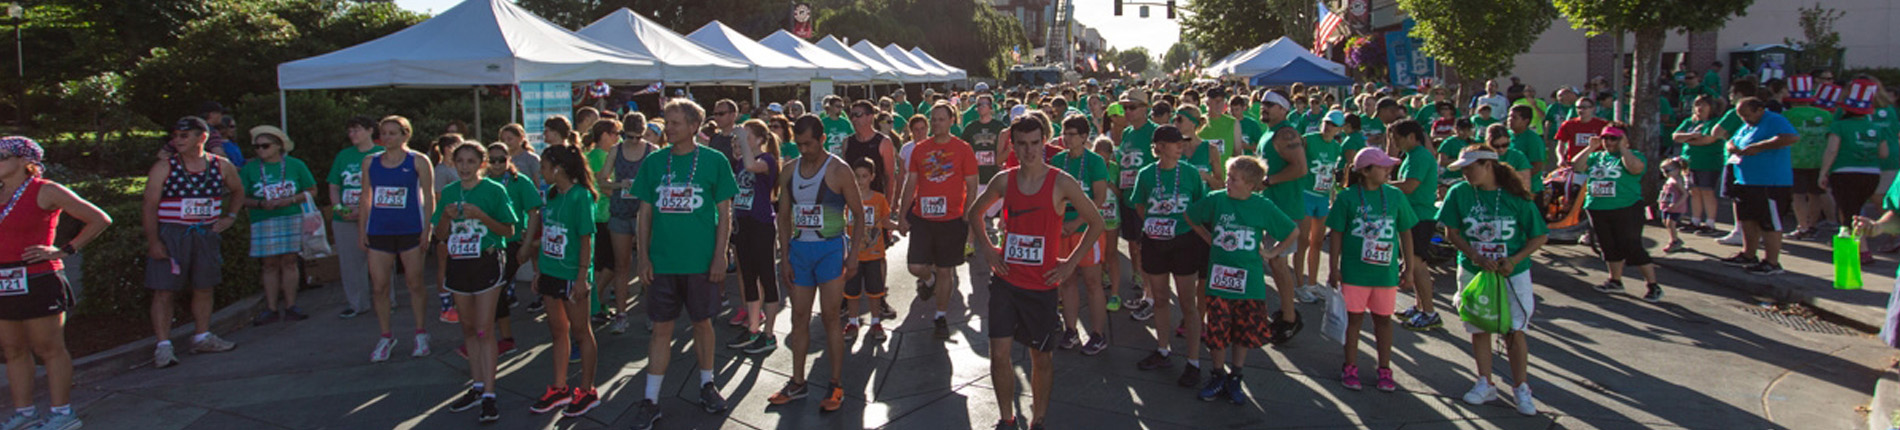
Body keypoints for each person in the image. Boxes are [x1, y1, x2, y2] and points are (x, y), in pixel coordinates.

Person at [967, 115, 1105, 430]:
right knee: (999, 354)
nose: (1029, 151)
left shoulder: (1061, 182)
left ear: (1044, 142)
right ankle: (1006, 419)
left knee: (1040, 358)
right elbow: (974, 213)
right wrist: (989, 250)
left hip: (1041, 286)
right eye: (1022, 144)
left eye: (1034, 143)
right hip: (1006, 282)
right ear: (1013, 146)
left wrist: (1069, 263)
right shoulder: (1005, 180)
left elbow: (1096, 222)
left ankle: (1038, 420)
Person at [627, 100, 739, 428]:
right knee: (661, 329)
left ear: (693, 126)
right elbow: (644, 213)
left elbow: (725, 213)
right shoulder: (654, 162)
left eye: (675, 123)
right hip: (662, 262)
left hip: (701, 262)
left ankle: (707, 384)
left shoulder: (714, 161)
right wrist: (643, 257)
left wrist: (720, 255)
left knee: (703, 324)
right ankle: (650, 399)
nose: (669, 128)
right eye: (667, 122)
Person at [0, 136, 109, 430]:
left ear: (25, 161)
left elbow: (99, 219)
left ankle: (63, 413)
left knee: (48, 347)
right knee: (12, 349)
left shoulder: (46, 190)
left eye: (2, 155)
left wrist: (65, 250)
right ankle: (25, 413)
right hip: (4, 282)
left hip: (38, 278)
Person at [1439, 145, 1547, 417]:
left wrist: (1514, 259)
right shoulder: (1459, 192)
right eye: (1462, 169)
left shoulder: (1515, 195)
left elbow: (1539, 236)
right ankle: (1485, 382)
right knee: (1479, 325)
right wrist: (1474, 255)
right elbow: (1452, 232)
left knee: (1514, 329)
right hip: (1474, 271)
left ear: (1488, 165)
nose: (1465, 174)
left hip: (1512, 274)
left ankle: (1521, 387)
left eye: (1469, 168)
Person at [767, 113, 866, 412]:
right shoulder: (790, 170)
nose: (803, 149)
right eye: (799, 144)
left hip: (830, 250)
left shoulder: (839, 170)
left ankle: (835, 383)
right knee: (798, 317)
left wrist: (853, 255)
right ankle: (798, 382)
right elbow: (784, 217)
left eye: (809, 144)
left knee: (830, 317)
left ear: (822, 139)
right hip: (800, 252)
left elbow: (859, 214)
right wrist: (784, 255)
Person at [1186, 155, 1296, 404]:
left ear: (1250, 185)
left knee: (1242, 332)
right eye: (1228, 176)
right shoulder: (1216, 199)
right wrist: (1207, 237)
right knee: (1217, 330)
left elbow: (1292, 231)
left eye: (1234, 179)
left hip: (1249, 284)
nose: (1227, 182)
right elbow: (1191, 216)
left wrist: (1272, 252)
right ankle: (1217, 374)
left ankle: (1236, 375)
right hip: (1219, 281)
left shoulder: (1262, 206)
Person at [144, 116, 244, 369]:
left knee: (204, 285)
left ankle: (202, 336)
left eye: (184, 135)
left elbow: (238, 190)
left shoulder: (221, 165)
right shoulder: (164, 167)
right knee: (164, 289)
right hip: (173, 233)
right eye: (175, 135)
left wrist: (230, 217)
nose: (177, 140)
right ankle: (163, 345)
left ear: (202, 137)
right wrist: (154, 241)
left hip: (205, 233)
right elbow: (149, 206)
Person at [431, 142, 518, 423]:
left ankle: (490, 394)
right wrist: (446, 218)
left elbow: (509, 230)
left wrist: (481, 216)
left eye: (471, 161)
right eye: (460, 161)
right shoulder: (448, 192)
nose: (465, 167)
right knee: (468, 327)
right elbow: (440, 235)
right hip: (459, 262)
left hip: (487, 261)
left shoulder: (494, 190)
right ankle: (477, 385)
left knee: (484, 328)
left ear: (481, 164)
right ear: (453, 163)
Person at [1326, 147, 1419, 393]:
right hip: (1354, 272)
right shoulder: (1347, 198)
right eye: (1383, 167)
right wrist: (1333, 268)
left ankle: (1385, 369)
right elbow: (1336, 233)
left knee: (1383, 321)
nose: (1389, 170)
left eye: (1389, 166)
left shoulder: (1395, 196)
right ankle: (1350, 366)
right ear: (1365, 171)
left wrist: (1409, 268)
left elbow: (1406, 232)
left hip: (1385, 274)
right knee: (1354, 321)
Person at [523, 144, 602, 417]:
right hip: (550, 272)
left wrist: (582, 276)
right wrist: (539, 272)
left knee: (581, 332)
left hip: (571, 275)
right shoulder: (552, 195)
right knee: (558, 331)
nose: (541, 172)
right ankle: (559, 388)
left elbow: (586, 239)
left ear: (558, 169)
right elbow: (548, 234)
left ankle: (587, 390)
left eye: (544, 167)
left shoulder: (581, 196)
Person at [1130, 125, 1212, 387]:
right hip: (1155, 243)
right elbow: (1139, 204)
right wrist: (1157, 222)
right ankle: (1163, 350)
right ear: (1160, 146)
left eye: (1182, 143)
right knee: (1160, 299)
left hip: (1185, 242)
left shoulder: (1189, 173)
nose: (1181, 147)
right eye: (1176, 143)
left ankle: (1193, 361)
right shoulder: (1146, 174)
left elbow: (1199, 204)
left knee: (1188, 303)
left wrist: (1178, 224)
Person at [357, 116, 438, 363]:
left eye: (393, 133)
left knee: (414, 283)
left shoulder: (418, 161)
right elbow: (365, 197)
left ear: (405, 135)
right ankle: (385, 336)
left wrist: (428, 229)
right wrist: (362, 231)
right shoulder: (370, 162)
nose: (387, 138)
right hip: (379, 231)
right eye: (384, 133)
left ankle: (421, 333)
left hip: (410, 230)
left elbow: (429, 196)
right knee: (379, 286)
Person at [897, 102, 980, 340]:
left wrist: (968, 214)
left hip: (952, 219)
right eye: (933, 119)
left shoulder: (963, 149)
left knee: (946, 270)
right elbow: (911, 183)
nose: (936, 123)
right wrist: (902, 214)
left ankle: (940, 315)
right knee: (915, 266)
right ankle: (928, 279)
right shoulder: (920, 149)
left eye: (941, 119)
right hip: (923, 218)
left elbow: (972, 184)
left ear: (952, 121)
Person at [1566, 125, 1662, 301]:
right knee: (1608, 245)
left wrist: (1623, 148)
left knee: (1632, 245)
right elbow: (1577, 166)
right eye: (1605, 138)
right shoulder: (1597, 157)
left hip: (1626, 206)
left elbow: (1635, 168)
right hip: (1598, 207)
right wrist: (1590, 147)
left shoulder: (1633, 156)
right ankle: (1615, 280)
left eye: (1613, 138)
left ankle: (1652, 285)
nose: (1608, 142)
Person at [239, 125, 316, 324]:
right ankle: (271, 308)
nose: (260, 150)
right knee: (269, 264)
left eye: (265, 146)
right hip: (262, 218)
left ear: (278, 146)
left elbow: (312, 190)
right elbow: (240, 196)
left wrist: (289, 200)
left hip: (291, 216)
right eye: (256, 147)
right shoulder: (250, 169)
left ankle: (291, 305)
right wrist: (259, 204)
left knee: (290, 261)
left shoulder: (295, 165)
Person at [1051, 115, 1112, 354]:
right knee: (1066, 280)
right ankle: (1071, 330)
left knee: (1092, 281)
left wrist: (1078, 221)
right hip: (1061, 229)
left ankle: (1097, 334)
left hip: (1086, 229)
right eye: (1064, 133)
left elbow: (1100, 197)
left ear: (1085, 137)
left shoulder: (1095, 161)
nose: (1067, 138)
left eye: (1072, 134)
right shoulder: (1058, 160)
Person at [1720, 98, 1800, 275]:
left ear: (1760, 110)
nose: (1745, 119)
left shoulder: (1774, 120)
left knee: (1768, 222)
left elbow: (1791, 137)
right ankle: (1748, 254)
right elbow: (1732, 139)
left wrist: (1760, 146)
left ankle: (1772, 262)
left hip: (1769, 182)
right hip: (1746, 181)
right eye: (1741, 116)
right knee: (1747, 219)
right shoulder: (1747, 126)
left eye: (1747, 115)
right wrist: (1731, 145)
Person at [1822, 79, 1896, 264]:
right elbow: (1884, 153)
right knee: (1855, 210)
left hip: (1844, 173)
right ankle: (1856, 247)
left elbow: (1831, 150)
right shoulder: (1875, 128)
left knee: (1849, 213)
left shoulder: (1839, 126)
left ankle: (1860, 252)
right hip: (1871, 174)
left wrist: (1823, 172)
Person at [726, 119, 784, 354]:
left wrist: (742, 140)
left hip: (761, 224)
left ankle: (769, 333)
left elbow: (752, 166)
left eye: (748, 137)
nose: (742, 141)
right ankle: (752, 327)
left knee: (767, 277)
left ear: (760, 139)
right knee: (748, 277)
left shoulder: (767, 160)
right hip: (744, 223)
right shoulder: (741, 161)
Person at [841, 101, 901, 320]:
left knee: (878, 252)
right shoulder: (848, 142)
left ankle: (880, 297)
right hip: (851, 205)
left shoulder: (883, 142)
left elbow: (889, 176)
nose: (854, 119)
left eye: (858, 115)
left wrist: (890, 205)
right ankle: (847, 298)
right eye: (852, 115)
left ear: (869, 117)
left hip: (876, 204)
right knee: (849, 250)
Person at [1386, 120, 1442, 331]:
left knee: (1417, 264)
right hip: (1411, 215)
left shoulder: (1420, 156)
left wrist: (1382, 185)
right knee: (1415, 263)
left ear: (1411, 136)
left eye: (1397, 138)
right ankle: (1420, 307)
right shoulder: (1410, 156)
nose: (1395, 143)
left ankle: (1430, 312)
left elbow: (1410, 186)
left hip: (1420, 216)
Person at [330, 116, 384, 320]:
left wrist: (366, 210)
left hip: (376, 216)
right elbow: (334, 185)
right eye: (350, 130)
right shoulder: (343, 156)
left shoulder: (381, 154)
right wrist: (338, 207)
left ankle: (386, 301)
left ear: (370, 130)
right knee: (350, 263)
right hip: (345, 217)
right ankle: (357, 303)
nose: (352, 134)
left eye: (357, 129)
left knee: (381, 260)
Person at [1295, 111, 1346, 304]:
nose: (1328, 127)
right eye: (1326, 122)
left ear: (1339, 129)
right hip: (1306, 194)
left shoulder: (1336, 147)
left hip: (1322, 198)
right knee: (1303, 241)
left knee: (1316, 242)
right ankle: (1299, 284)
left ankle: (1312, 283)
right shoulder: (1308, 139)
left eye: (1333, 125)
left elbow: (1333, 172)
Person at [1115, 97, 1159, 317]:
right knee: (1133, 245)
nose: (1128, 112)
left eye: (1132, 107)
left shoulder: (1155, 131)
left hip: (1147, 201)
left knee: (1148, 249)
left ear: (1145, 108)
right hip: (1127, 197)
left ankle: (1152, 298)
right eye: (1125, 108)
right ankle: (1144, 291)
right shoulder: (1127, 133)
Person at [846, 157, 895, 343]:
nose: (860, 180)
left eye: (864, 176)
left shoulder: (879, 199)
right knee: (852, 292)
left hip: (874, 254)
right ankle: (852, 322)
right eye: (857, 176)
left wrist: (901, 226)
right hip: (853, 255)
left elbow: (885, 222)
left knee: (875, 291)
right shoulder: (847, 199)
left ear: (872, 177)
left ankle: (876, 322)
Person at [1783, 79, 1837, 241]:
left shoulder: (1787, 115)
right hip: (1820, 161)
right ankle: (1812, 225)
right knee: (1816, 194)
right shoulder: (1826, 115)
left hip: (1795, 160)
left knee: (1798, 196)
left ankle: (1803, 227)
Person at [581, 119, 621, 325]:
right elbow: (603, 186)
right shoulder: (598, 155)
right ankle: (592, 302)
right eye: (615, 134)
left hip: (600, 215)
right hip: (602, 215)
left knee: (601, 264)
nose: (618, 138)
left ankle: (595, 303)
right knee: (612, 263)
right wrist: (624, 192)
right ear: (604, 135)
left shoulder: (595, 154)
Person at [1672, 96, 1726, 236]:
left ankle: (1710, 223)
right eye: (1697, 105)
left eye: (1704, 105)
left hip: (1708, 162)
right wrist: (1692, 135)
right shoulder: (1689, 122)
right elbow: (1676, 136)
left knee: (1707, 191)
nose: (1700, 108)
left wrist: (1687, 139)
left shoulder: (1715, 122)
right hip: (1689, 162)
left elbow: (1707, 140)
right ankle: (1695, 221)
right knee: (1694, 191)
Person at [1658, 157, 1692, 253]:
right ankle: (1674, 238)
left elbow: (1685, 194)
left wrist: (1676, 204)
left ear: (1677, 170)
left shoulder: (1677, 181)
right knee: (1665, 222)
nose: (1665, 173)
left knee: (1671, 223)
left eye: (1667, 171)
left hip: (1676, 206)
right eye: (1663, 171)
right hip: (1667, 205)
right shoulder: (1670, 179)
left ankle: (1674, 241)